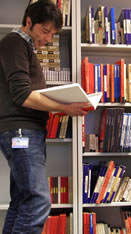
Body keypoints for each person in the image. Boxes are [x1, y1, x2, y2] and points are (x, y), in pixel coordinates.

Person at [0, 0, 90, 233]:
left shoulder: (24, 47)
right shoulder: (14, 43)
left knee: (22, 201)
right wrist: (65, 107)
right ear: (28, 22)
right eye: (45, 30)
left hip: (26, 132)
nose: (48, 38)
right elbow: (22, 95)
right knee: (38, 201)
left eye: (53, 33)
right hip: (22, 132)